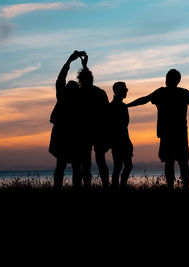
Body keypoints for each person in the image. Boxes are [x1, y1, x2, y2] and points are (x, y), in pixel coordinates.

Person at [127, 69, 189, 190]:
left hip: (173, 133)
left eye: (168, 77)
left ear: (173, 80)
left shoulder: (167, 93)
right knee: (176, 162)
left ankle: (179, 188)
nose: (166, 80)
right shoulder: (176, 93)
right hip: (173, 133)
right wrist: (127, 105)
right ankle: (179, 188)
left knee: (177, 162)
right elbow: (144, 99)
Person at [49, 51, 83, 189]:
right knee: (71, 166)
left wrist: (69, 61)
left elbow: (60, 79)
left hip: (67, 135)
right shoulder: (75, 100)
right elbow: (61, 79)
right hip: (67, 135)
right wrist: (75, 63)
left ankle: (59, 188)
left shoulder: (65, 98)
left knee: (63, 166)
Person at [77, 53, 110, 189]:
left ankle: (89, 186)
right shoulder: (99, 92)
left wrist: (84, 66)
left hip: (86, 131)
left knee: (86, 163)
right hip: (98, 131)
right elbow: (108, 114)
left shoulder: (78, 94)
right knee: (99, 161)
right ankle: (106, 186)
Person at [108, 82, 133, 190]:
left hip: (122, 140)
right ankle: (119, 187)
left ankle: (119, 186)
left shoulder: (120, 106)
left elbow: (125, 125)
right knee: (120, 166)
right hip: (119, 141)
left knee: (121, 166)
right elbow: (123, 125)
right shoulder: (118, 106)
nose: (126, 91)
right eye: (124, 89)